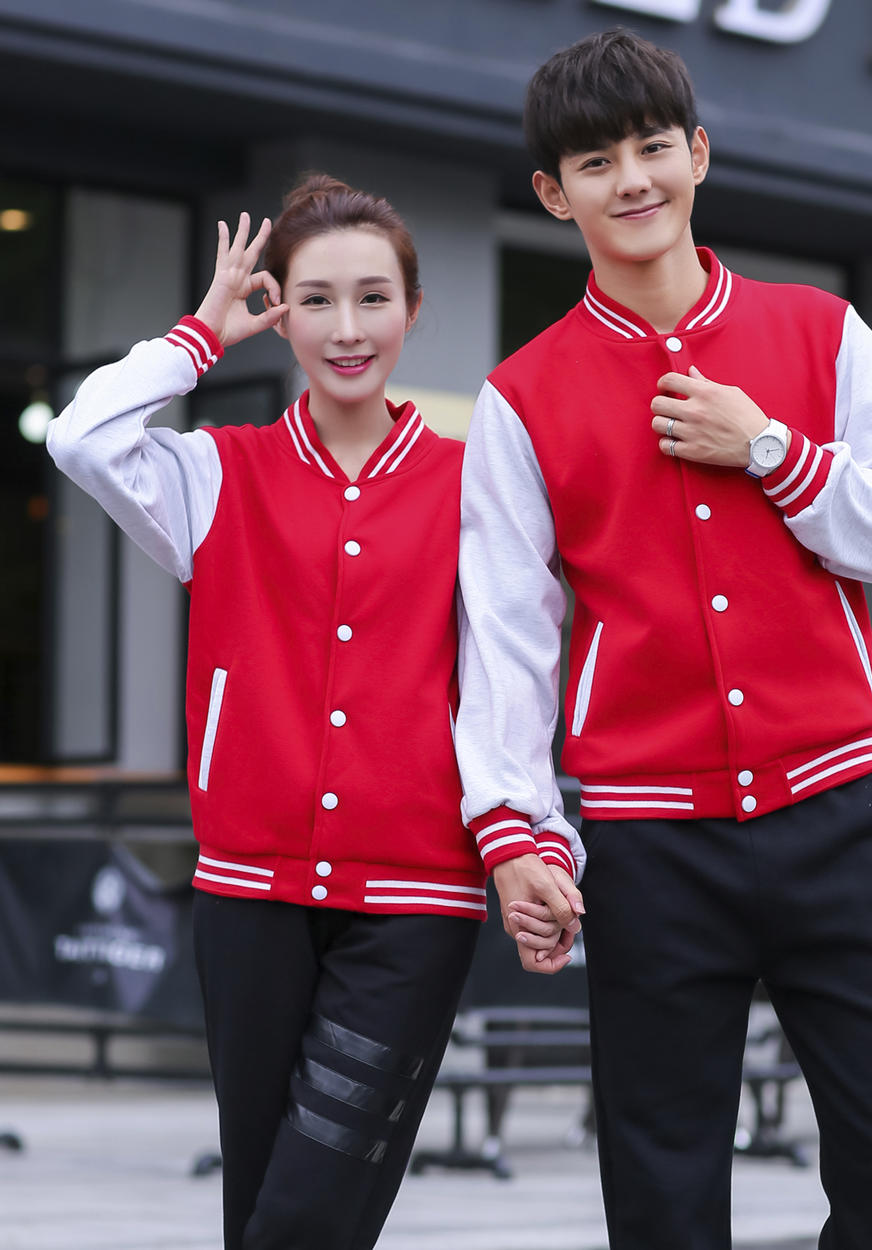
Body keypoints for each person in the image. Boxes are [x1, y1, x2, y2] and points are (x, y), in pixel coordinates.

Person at [455, 28, 872, 1250]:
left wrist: (773, 450)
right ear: (553, 194)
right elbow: (507, 639)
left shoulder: (822, 332)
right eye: (595, 162)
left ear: (699, 154)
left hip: (836, 815)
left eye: (651, 147)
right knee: (662, 1184)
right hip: (650, 844)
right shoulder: (521, 397)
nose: (631, 180)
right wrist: (516, 831)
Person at [47, 175, 501, 1250]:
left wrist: (523, 837)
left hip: (415, 899)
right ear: (280, 312)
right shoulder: (216, 471)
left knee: (307, 1209)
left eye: (374, 298)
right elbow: (80, 437)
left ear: (414, 310)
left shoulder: (474, 482)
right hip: (249, 893)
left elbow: (505, 680)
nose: (348, 329)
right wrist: (198, 338)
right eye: (317, 300)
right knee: (257, 1198)